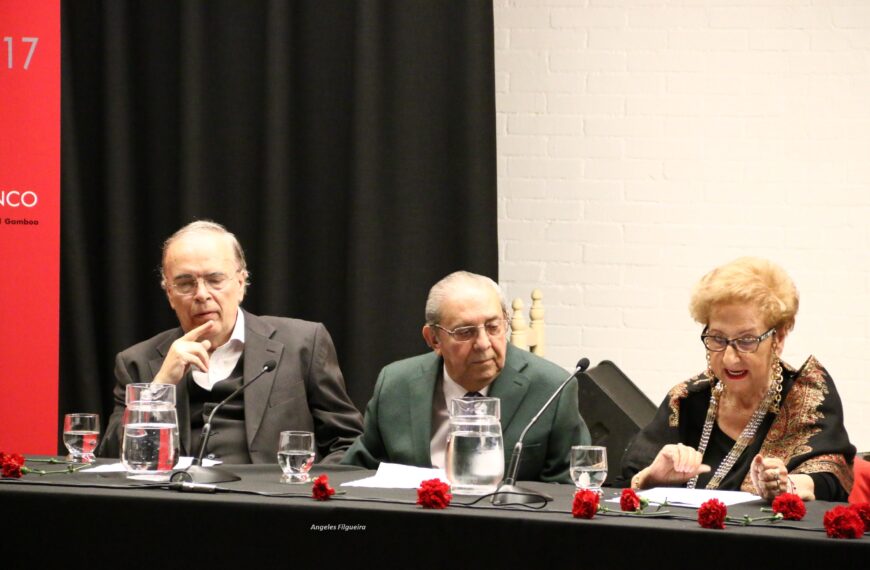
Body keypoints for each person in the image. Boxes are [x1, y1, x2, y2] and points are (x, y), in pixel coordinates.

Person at [98, 221, 363, 463]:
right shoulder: (138, 362)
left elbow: (348, 443)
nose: (202, 294)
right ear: (169, 294)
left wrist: (306, 494)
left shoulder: (303, 344)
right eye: (185, 284)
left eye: (215, 280)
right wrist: (159, 388)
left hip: (273, 506)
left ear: (241, 283)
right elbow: (110, 458)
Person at [620, 257, 854, 501]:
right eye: (718, 339)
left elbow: (829, 476)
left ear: (779, 338)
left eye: (746, 341)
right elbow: (624, 483)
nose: (730, 359)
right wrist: (650, 479)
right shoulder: (687, 400)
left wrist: (788, 486)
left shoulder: (806, 396)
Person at [341, 271, 590, 483]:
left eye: (493, 327)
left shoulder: (552, 388)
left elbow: (569, 487)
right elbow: (356, 472)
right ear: (434, 339)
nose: (483, 344)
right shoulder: (396, 383)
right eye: (465, 332)